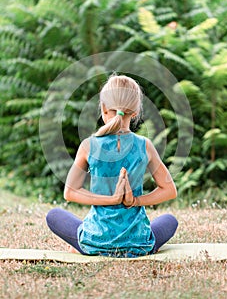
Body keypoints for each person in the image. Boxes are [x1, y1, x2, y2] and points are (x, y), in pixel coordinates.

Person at [46, 74, 178, 257]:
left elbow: (70, 192)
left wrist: (110, 200)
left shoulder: (88, 145)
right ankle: (143, 246)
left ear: (103, 108)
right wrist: (135, 201)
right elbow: (170, 190)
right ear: (135, 112)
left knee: (53, 216)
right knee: (170, 220)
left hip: (94, 242)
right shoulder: (145, 145)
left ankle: (81, 244)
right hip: (138, 242)